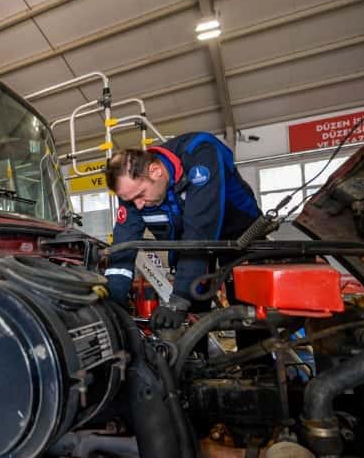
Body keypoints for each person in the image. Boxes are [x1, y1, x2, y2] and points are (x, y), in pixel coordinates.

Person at [103, 132, 261, 328]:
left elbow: (199, 231)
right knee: (193, 306)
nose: (139, 205)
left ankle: (256, 358)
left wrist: (178, 301)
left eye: (141, 195)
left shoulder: (199, 154)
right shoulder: (132, 190)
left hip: (239, 231)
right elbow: (123, 244)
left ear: (155, 171)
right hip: (189, 242)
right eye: (131, 200)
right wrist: (113, 302)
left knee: (244, 303)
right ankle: (197, 357)